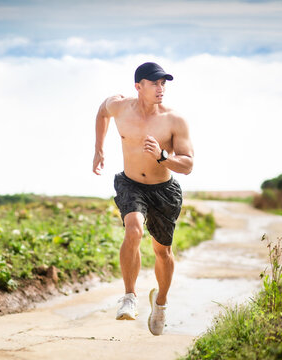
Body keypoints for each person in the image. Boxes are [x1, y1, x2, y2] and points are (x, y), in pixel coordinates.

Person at [92, 62, 194, 336]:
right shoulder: (120, 107)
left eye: (164, 83)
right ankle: (129, 296)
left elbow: (187, 165)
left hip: (164, 190)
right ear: (139, 86)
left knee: (162, 251)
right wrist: (99, 148)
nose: (161, 88)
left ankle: (160, 304)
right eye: (155, 83)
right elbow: (102, 112)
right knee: (133, 229)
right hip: (130, 183)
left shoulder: (175, 120)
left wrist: (163, 156)